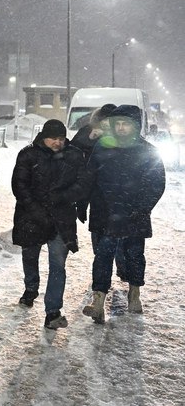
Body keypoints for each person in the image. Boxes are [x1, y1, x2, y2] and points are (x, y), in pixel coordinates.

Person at [81, 104, 166, 324]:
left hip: (134, 217)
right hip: (105, 214)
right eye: (116, 123)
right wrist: (82, 203)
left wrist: (141, 208)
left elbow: (156, 185)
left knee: (135, 257)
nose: (120, 128)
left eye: (125, 124)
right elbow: (89, 178)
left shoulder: (147, 151)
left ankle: (134, 294)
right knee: (102, 258)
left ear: (135, 126)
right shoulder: (102, 147)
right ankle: (98, 301)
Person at [11, 118, 85, 330]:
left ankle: (52, 311)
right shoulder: (28, 155)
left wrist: (63, 197)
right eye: (53, 138)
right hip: (32, 217)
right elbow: (20, 186)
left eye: (61, 138)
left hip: (61, 219)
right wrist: (35, 209)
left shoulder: (73, 156)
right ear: (44, 138)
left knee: (57, 265)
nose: (57, 143)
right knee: (30, 255)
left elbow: (83, 184)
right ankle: (31, 288)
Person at [71, 103, 127, 280]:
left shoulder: (124, 137)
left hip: (120, 195)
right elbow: (72, 152)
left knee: (118, 235)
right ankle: (102, 272)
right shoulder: (88, 132)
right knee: (99, 236)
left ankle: (120, 266)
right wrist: (91, 139)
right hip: (95, 194)